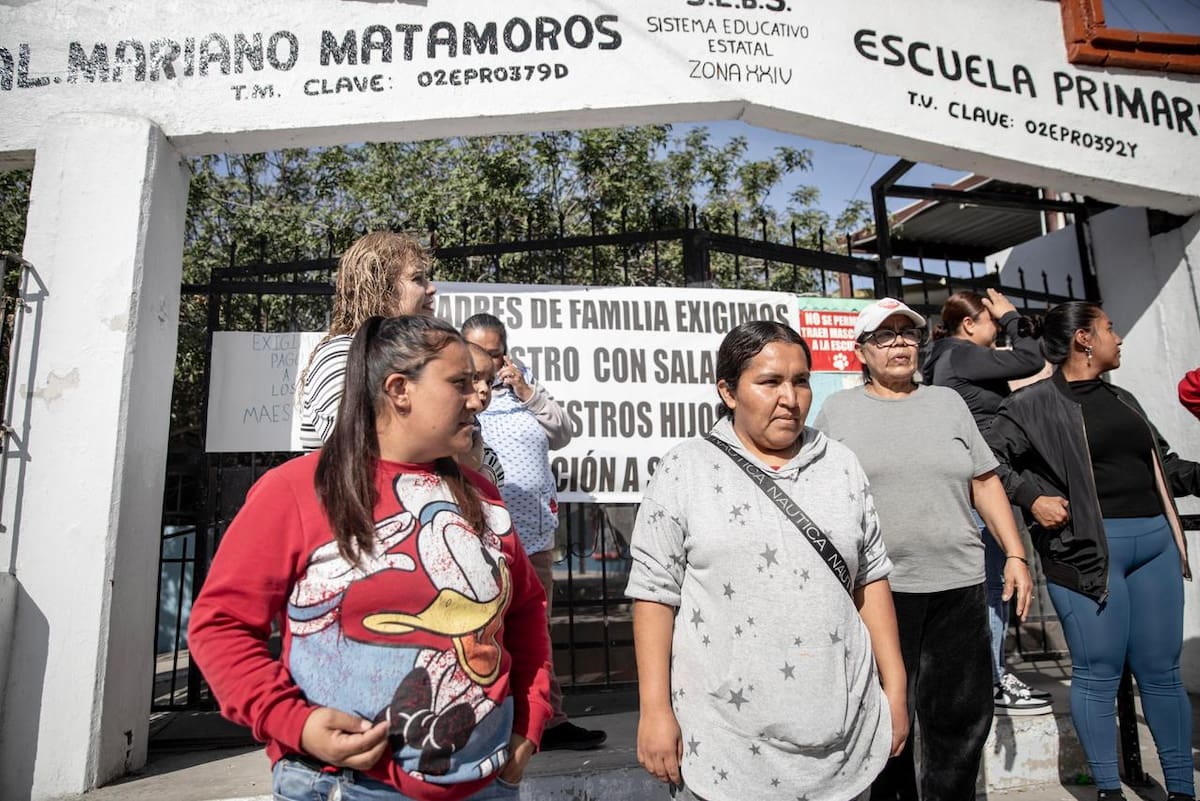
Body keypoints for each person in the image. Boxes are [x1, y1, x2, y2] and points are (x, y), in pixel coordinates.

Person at [189, 316, 552, 801]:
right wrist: (295, 723)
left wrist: (529, 720)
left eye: (480, 383)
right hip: (347, 787)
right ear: (400, 389)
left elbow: (525, 610)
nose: (477, 398)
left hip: (486, 786)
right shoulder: (296, 491)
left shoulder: (482, 494)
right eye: (460, 383)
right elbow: (220, 626)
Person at [626, 320, 908, 801]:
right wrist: (655, 711)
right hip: (724, 740)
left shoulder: (840, 465)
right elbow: (654, 594)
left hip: (842, 735)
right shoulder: (686, 468)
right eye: (770, 382)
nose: (790, 398)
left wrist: (895, 686)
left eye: (801, 381)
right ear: (728, 391)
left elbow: (871, 577)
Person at [813, 297, 1034, 801]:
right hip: (879, 595)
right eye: (885, 336)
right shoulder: (838, 412)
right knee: (887, 724)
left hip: (959, 586)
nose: (899, 344)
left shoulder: (947, 404)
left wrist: (1016, 554)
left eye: (908, 334)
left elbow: (985, 481)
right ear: (861, 352)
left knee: (959, 723)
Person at [987, 301, 1197, 801]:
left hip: (1155, 546)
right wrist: (1031, 497)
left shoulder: (1123, 398)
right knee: (1098, 673)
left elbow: (1162, 467)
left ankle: (1183, 790)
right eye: (1109, 328)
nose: (1117, 337)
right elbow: (986, 462)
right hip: (1085, 553)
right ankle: (1108, 790)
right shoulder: (1029, 404)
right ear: (1084, 339)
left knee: (1162, 673)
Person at [461, 313, 606, 751]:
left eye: (495, 351)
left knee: (535, 630)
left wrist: (524, 390)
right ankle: (490, 720)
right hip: (479, 534)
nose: (489, 361)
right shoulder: (460, 392)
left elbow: (562, 431)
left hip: (534, 536)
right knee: (484, 631)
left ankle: (547, 719)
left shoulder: (525, 388)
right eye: (479, 351)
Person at [922, 288, 1052, 716]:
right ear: (969, 325)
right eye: (992, 323)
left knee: (987, 586)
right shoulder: (960, 354)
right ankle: (992, 678)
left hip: (976, 482)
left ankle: (986, 675)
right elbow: (1032, 359)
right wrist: (1014, 317)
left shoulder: (945, 358)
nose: (998, 331)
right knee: (992, 585)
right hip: (980, 486)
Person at [299, 231, 437, 450]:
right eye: (417, 278)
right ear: (381, 289)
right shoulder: (341, 354)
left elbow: (486, 459)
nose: (431, 288)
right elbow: (360, 447)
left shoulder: (425, 358)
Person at [459, 342, 506, 488]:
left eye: (489, 382)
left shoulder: (475, 429)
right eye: (475, 378)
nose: (484, 388)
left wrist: (485, 475)